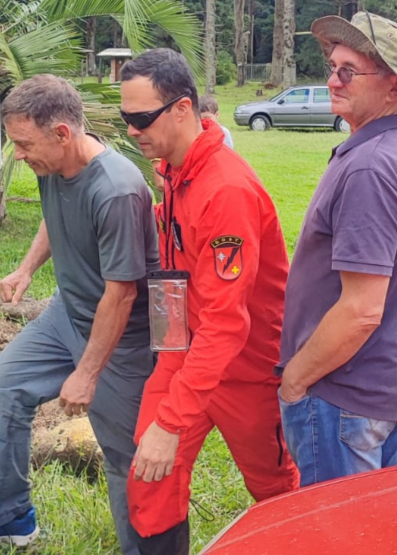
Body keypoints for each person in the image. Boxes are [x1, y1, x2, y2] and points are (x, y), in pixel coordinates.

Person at [0, 74, 160, 552]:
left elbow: (120, 296)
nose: (18, 153)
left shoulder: (118, 189)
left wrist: (87, 372)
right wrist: (26, 269)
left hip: (121, 338)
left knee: (126, 457)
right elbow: (55, 214)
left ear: (62, 133)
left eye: (24, 143)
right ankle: (4, 516)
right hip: (68, 314)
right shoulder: (56, 168)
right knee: (2, 385)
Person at [119, 48, 299, 554]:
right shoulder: (175, 172)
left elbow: (226, 325)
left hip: (244, 370)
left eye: (140, 118)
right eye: (124, 118)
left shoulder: (226, 190)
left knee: (273, 488)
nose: (131, 130)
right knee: (150, 475)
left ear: (182, 110)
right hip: (182, 353)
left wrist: (173, 421)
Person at [277, 12, 397, 487]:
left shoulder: (371, 166)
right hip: (388, 381)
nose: (332, 79)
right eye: (332, 66)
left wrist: (296, 380)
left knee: (339, 531)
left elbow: (362, 310)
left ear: (394, 86)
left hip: (345, 393)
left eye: (348, 71)